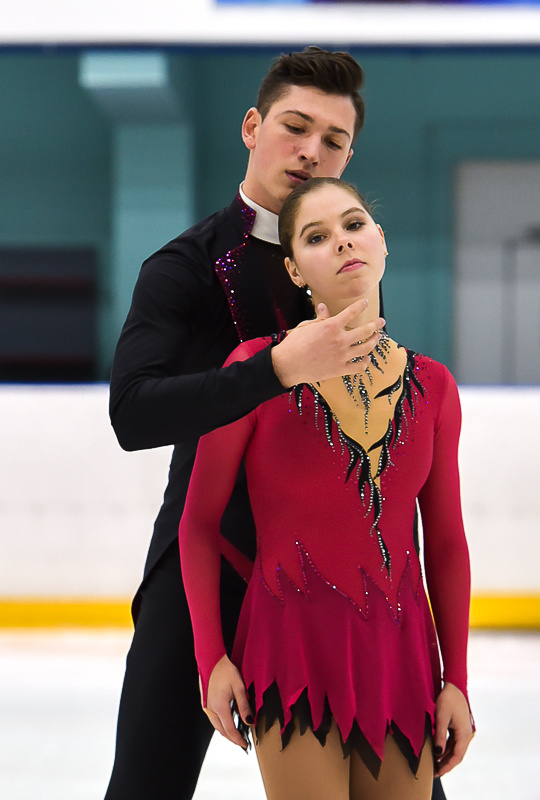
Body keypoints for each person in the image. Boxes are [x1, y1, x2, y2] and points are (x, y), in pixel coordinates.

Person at [105, 47, 387, 800]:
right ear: (252, 126)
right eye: (296, 127)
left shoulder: (352, 264)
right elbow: (132, 412)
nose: (311, 150)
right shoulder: (185, 267)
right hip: (209, 565)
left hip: (336, 580)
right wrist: (274, 370)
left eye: (333, 140)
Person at [179, 177, 474, 800]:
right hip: (291, 650)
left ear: (382, 241)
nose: (343, 243)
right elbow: (198, 524)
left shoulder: (437, 387)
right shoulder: (255, 371)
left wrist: (458, 680)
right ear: (294, 268)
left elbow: (446, 541)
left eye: (354, 224)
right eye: (317, 237)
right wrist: (212, 660)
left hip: (401, 657)